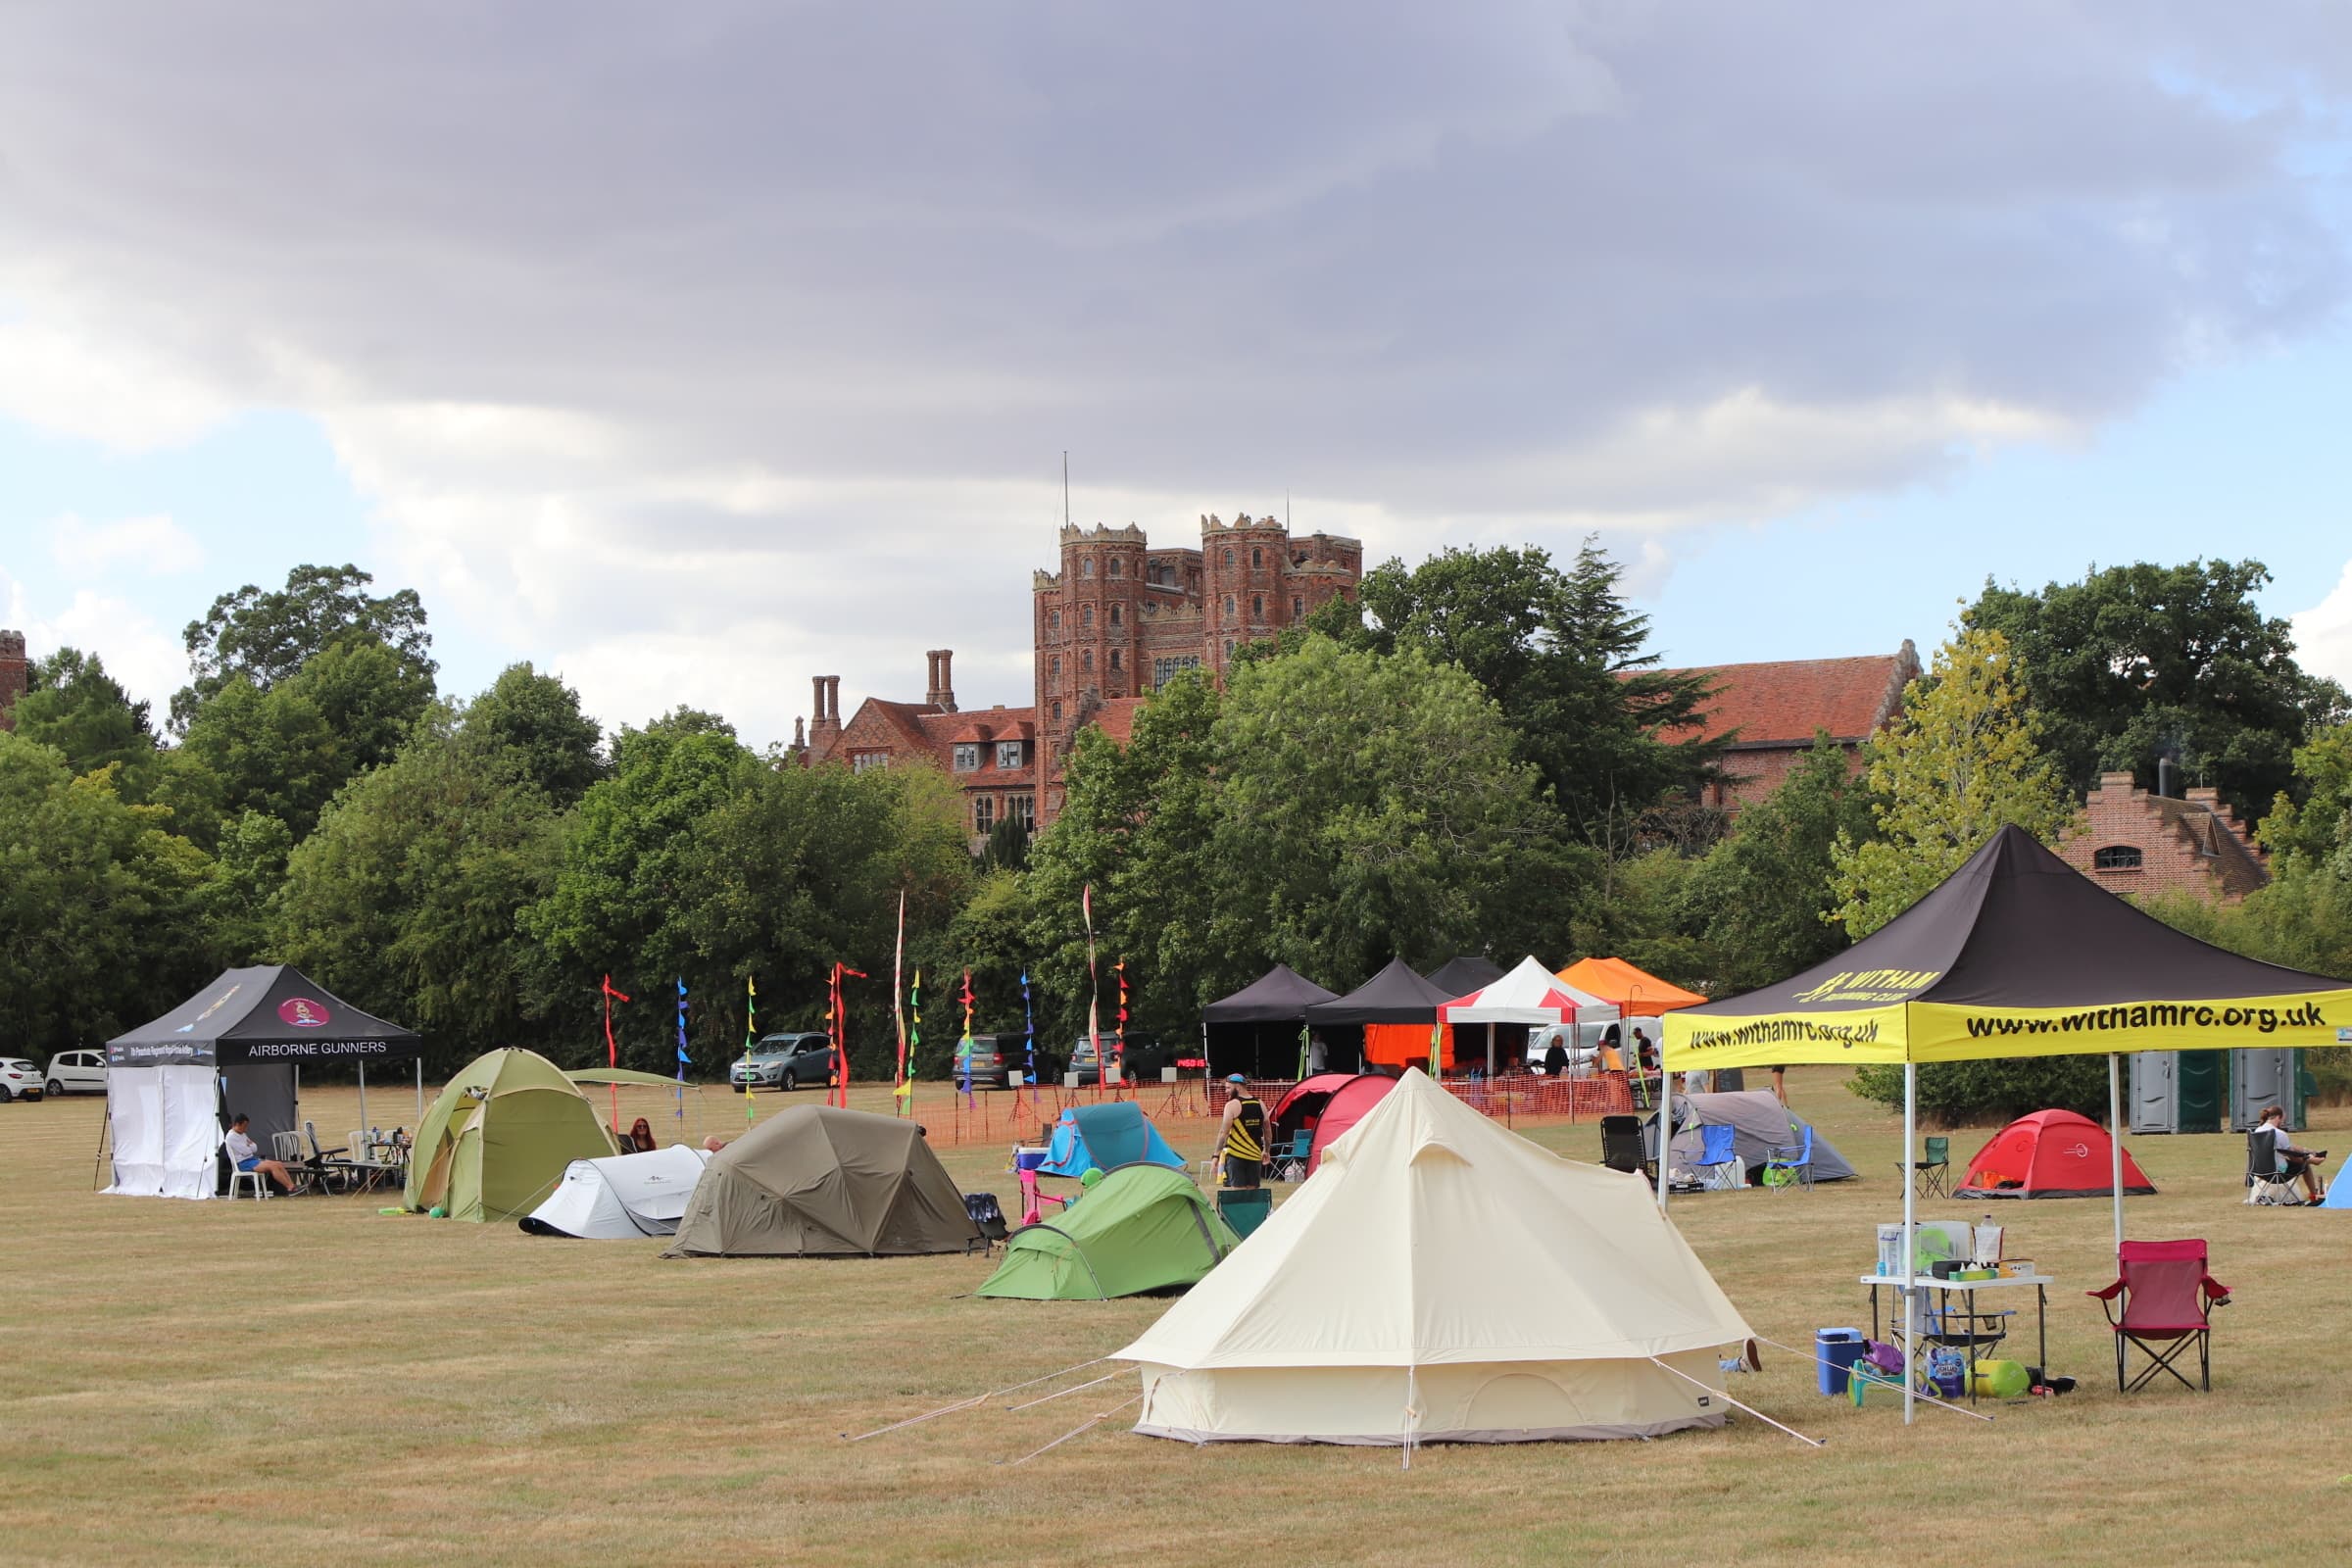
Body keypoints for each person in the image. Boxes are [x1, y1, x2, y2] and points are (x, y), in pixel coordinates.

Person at [2255, 1104, 2327, 1203]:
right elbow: (2293, 1158)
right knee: (2305, 1166)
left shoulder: (2257, 1131)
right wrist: (2311, 1160)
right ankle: (2314, 1195)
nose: (2283, 1123)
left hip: (2258, 1171)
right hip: (2278, 1172)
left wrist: (2308, 1151)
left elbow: (2290, 1147)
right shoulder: (2279, 1133)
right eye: (2283, 1119)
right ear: (2278, 1117)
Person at [223, 1113, 301, 1194]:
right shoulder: (231, 1137)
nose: (246, 1129)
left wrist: (248, 1146)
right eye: (244, 1126)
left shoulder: (242, 1134)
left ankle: (292, 1185)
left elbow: (255, 1147)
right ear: (237, 1124)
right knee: (273, 1167)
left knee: (279, 1164)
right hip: (243, 1163)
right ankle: (290, 1188)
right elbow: (246, 1151)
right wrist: (248, 1146)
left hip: (251, 1159)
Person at [1217, 1073, 1267, 1189]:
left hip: (1236, 1156)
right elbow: (1268, 1130)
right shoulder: (1260, 1103)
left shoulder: (1231, 1105)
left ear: (1238, 1087)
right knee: (1252, 1196)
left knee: (1239, 1196)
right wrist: (1267, 1150)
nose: (1226, 1091)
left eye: (1228, 1087)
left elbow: (1223, 1133)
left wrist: (1216, 1155)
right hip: (1255, 1157)